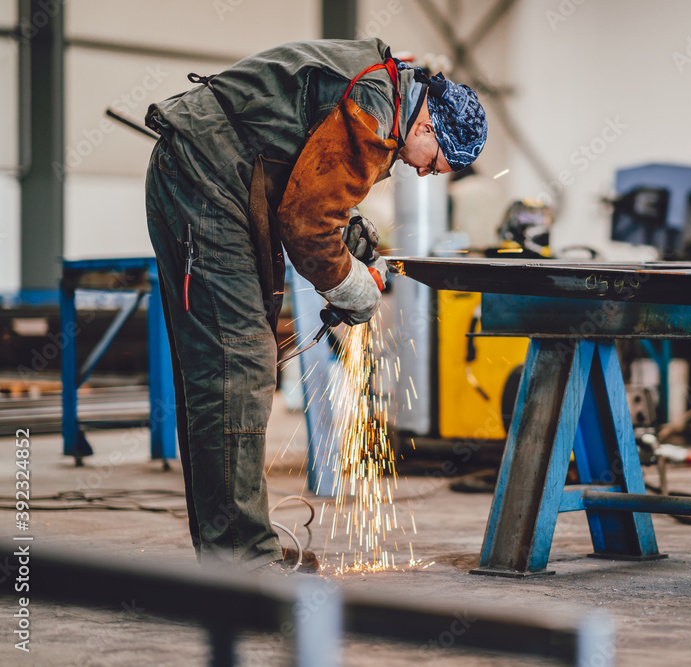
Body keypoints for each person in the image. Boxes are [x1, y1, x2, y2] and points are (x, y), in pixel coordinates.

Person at [143, 38, 487, 571]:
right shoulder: (375, 109)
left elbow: (302, 167)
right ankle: (241, 563)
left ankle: (232, 549)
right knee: (237, 362)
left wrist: (348, 229)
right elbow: (305, 225)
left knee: (229, 366)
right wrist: (354, 288)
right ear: (425, 127)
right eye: (435, 164)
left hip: (221, 176)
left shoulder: (388, 99)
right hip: (205, 180)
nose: (424, 174)